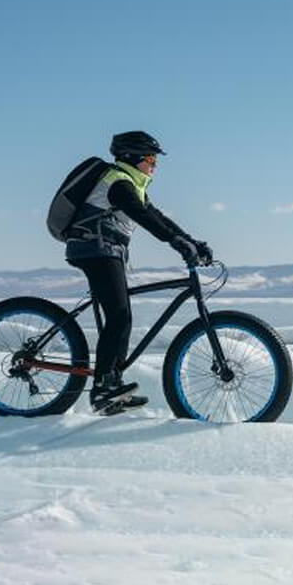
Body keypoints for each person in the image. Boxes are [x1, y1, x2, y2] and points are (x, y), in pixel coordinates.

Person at [65, 131, 213, 414]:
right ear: (133, 157)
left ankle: (112, 385)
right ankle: (102, 389)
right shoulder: (118, 184)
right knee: (119, 315)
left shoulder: (131, 184)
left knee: (123, 316)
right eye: (150, 158)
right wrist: (176, 243)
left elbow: (158, 217)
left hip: (106, 251)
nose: (155, 165)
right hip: (94, 249)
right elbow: (143, 218)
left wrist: (190, 241)